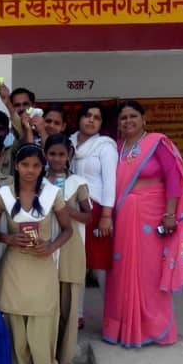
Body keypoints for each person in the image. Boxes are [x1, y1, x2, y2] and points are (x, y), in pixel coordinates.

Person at [103, 100, 183, 347]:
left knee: (150, 271)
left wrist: (170, 214)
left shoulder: (157, 142)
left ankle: (154, 326)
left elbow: (173, 178)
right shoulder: (115, 148)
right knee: (121, 270)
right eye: (123, 117)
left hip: (154, 214)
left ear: (144, 119)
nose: (128, 121)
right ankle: (123, 327)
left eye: (133, 116)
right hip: (123, 217)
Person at [0, 143, 72, 364]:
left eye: (36, 166)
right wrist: (8, 238)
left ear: (42, 168)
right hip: (13, 274)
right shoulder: (3, 195)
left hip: (43, 274)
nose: (30, 170)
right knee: (18, 350)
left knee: (43, 350)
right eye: (25, 164)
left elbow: (68, 230)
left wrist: (51, 247)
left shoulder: (52, 194)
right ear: (16, 165)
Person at [43, 134, 91, 364]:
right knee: (48, 311)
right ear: (46, 155)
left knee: (69, 310)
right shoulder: (38, 182)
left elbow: (88, 217)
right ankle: (45, 361)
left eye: (61, 154)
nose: (57, 159)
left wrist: (65, 210)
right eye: (52, 154)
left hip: (71, 249)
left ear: (69, 155)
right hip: (47, 248)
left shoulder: (77, 183)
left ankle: (66, 362)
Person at [69, 103, 117, 328]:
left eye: (97, 118)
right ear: (79, 118)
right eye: (87, 115)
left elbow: (110, 183)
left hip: (96, 211)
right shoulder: (68, 143)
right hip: (72, 210)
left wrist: (106, 215)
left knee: (100, 265)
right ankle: (77, 315)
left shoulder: (105, 146)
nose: (91, 120)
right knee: (77, 264)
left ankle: (113, 315)